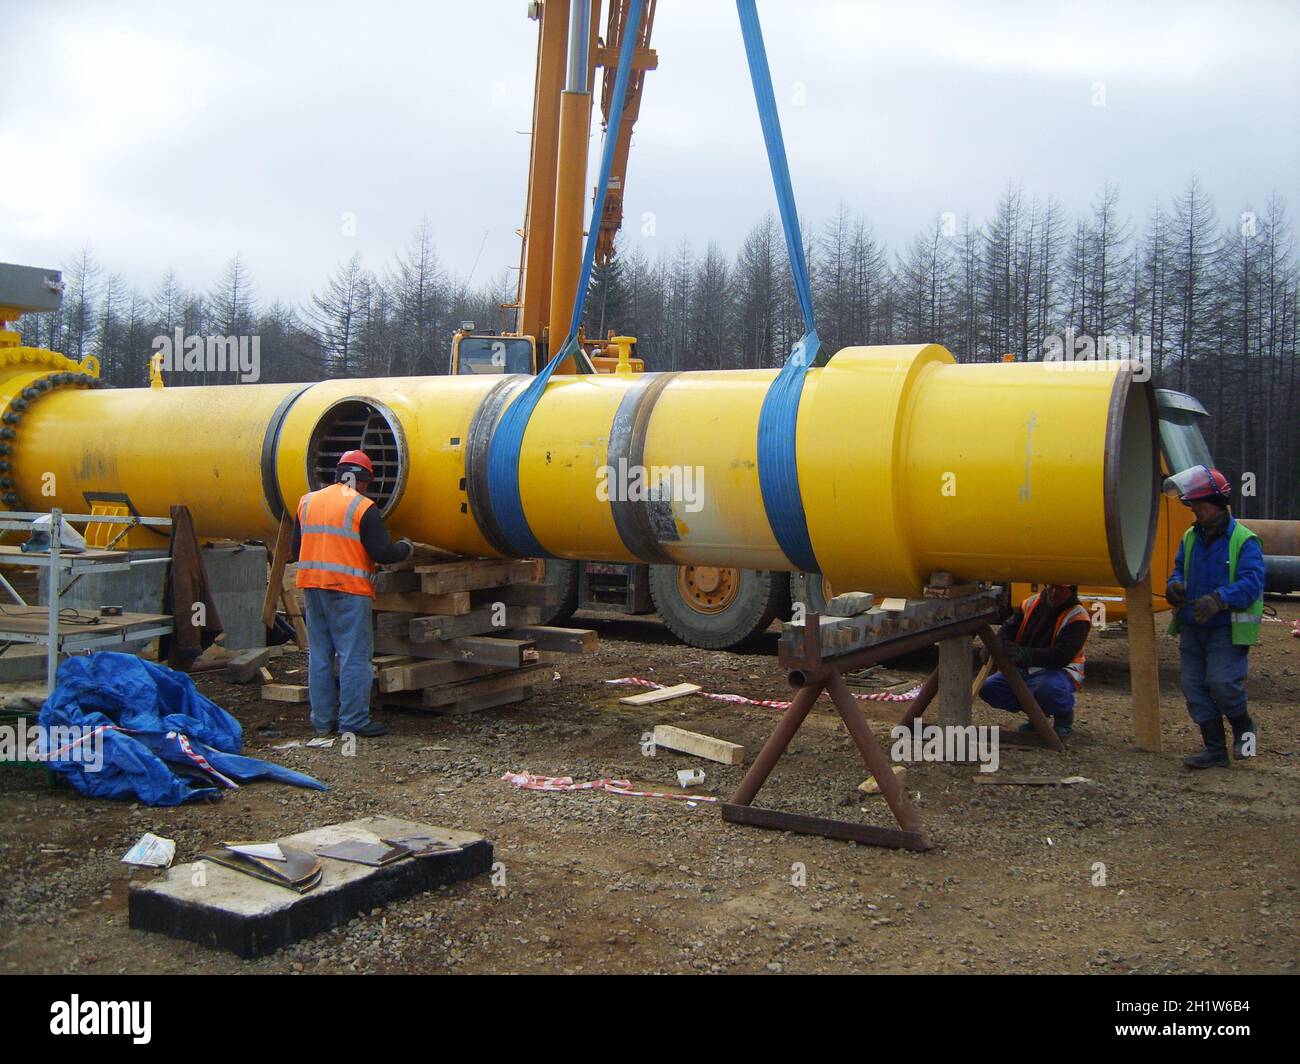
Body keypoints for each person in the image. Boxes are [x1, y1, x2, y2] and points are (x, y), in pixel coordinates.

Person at [292, 450, 413, 738]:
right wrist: (407, 548)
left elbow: (295, 549)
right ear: (363, 481)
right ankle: (354, 720)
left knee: (320, 656)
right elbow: (383, 552)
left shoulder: (307, 502)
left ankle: (322, 722)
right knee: (353, 657)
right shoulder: (362, 507)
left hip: (312, 587)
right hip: (347, 590)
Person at [1164, 465, 1264, 769]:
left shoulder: (1245, 540)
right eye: (1192, 504)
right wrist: (1175, 586)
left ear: (1217, 504)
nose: (1194, 510)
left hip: (1227, 628)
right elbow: (1179, 569)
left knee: (1222, 683)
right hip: (1194, 624)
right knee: (1194, 687)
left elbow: (1252, 583)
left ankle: (1243, 725)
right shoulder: (1190, 537)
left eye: (1198, 504)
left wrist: (1220, 598)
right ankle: (1215, 750)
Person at [979, 583, 1091, 738]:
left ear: (1071, 591)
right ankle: (1037, 716)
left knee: (1048, 690)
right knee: (989, 689)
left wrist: (1026, 655)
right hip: (1024, 667)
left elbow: (1061, 657)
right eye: (1051, 587)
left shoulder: (1078, 616)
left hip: (1060, 670)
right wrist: (994, 647)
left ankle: (1063, 716)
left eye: (1060, 589)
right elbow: (1007, 630)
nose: (1053, 593)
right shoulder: (1030, 603)